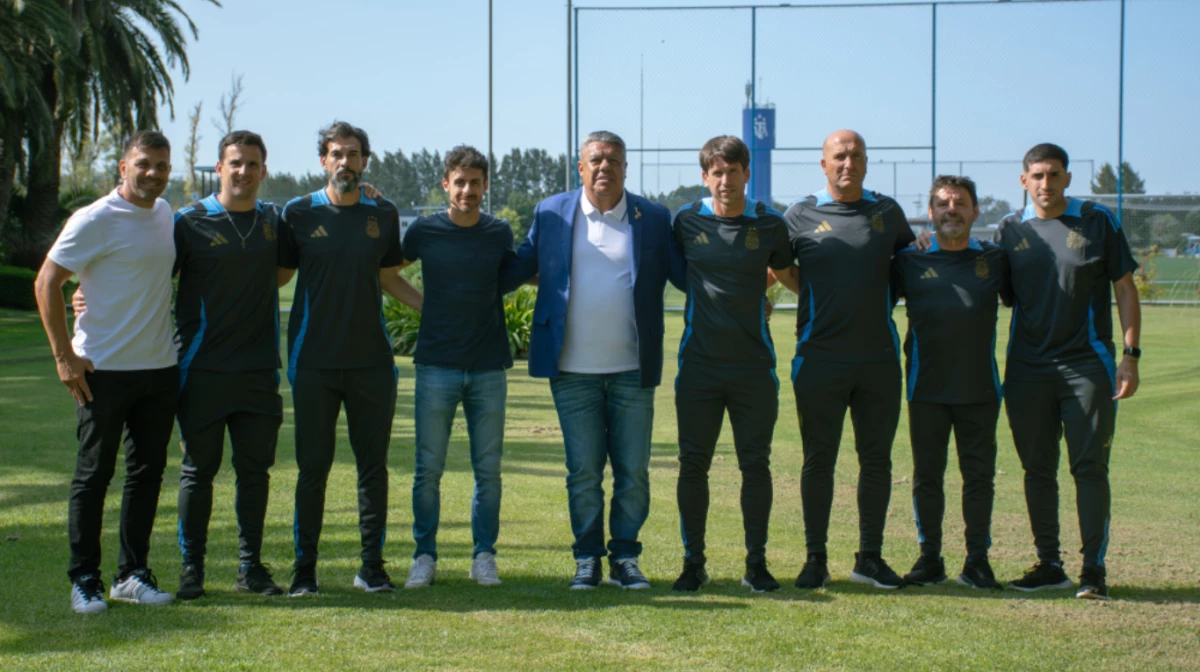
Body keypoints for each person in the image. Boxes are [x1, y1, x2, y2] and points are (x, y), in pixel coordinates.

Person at [503, 130, 687, 589]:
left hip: (632, 369)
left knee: (633, 472)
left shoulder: (653, 217)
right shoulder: (550, 212)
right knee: (583, 471)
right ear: (580, 167)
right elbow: (518, 268)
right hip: (572, 371)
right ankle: (587, 557)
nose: (605, 167)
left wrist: (747, 287)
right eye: (596, 160)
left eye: (613, 160)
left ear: (626, 167)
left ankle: (625, 557)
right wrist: (467, 243)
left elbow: (688, 275)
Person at [35, 130, 179, 613]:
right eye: (144, 164)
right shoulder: (94, 218)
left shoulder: (166, 214)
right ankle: (84, 579)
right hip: (102, 370)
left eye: (162, 165)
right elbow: (47, 282)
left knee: (147, 474)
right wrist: (64, 357)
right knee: (94, 475)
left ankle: (131, 575)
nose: (153, 173)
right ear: (123, 167)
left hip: (159, 369)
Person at [278, 121, 422, 597]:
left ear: (365, 161)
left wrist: (437, 310)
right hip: (313, 362)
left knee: (373, 468)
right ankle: (304, 571)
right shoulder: (297, 213)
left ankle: (372, 568)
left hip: (372, 363)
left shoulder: (383, 212)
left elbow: (389, 278)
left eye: (354, 154)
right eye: (337, 153)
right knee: (312, 469)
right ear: (324, 160)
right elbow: (273, 276)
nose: (345, 161)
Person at [996, 143, 1140, 600]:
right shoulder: (1009, 229)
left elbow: (1124, 287)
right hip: (1027, 369)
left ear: (1067, 179)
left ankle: (1093, 570)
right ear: (1024, 181)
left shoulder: (1097, 220)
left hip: (1086, 367)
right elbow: (994, 287)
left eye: (1054, 174)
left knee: (1089, 467)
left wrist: (1131, 355)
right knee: (1037, 469)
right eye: (1037, 175)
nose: (1046, 183)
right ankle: (1049, 565)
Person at [776, 130, 915, 590]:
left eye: (855, 156)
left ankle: (869, 558)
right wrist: (819, 297)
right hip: (819, 357)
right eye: (839, 156)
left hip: (877, 359)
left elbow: (907, 266)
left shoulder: (887, 212)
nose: (847, 163)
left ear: (866, 162)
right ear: (824, 164)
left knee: (876, 460)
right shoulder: (799, 214)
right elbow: (782, 268)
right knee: (819, 459)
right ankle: (815, 558)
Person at [670, 136, 794, 593]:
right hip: (699, 367)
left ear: (747, 173)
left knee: (755, 465)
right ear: (705, 177)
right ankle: (693, 563)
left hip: (753, 368)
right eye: (717, 172)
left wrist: (759, 291)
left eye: (733, 171)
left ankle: (756, 564)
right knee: (692, 465)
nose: (725, 180)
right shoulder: (686, 221)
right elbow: (674, 270)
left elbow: (788, 274)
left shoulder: (770, 223)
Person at [170, 131, 286, 599]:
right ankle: (191, 569)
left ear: (263, 170)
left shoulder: (275, 220)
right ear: (219, 168)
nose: (244, 171)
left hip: (258, 371)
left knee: (254, 473)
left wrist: (368, 191)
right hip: (202, 369)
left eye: (252, 164)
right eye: (235, 163)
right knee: (198, 471)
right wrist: (85, 295)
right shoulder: (187, 221)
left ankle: (250, 568)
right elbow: (145, 272)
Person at [397, 146, 514, 589]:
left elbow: (521, 272)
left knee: (488, 470)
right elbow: (388, 273)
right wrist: (427, 307)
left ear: (485, 185)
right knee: (428, 469)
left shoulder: (499, 232)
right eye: (459, 182)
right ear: (445, 184)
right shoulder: (425, 231)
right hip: (436, 366)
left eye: (475, 182)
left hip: (488, 368)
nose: (467, 190)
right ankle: (424, 556)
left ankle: (483, 556)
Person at [891, 175, 1010, 590]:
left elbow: (1026, 301)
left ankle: (977, 560)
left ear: (975, 211)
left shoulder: (996, 259)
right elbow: (872, 304)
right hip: (926, 387)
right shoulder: (909, 260)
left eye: (960, 203)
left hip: (980, 388)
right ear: (931, 213)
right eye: (943, 204)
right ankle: (930, 559)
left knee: (978, 478)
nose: (951, 210)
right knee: (927, 476)